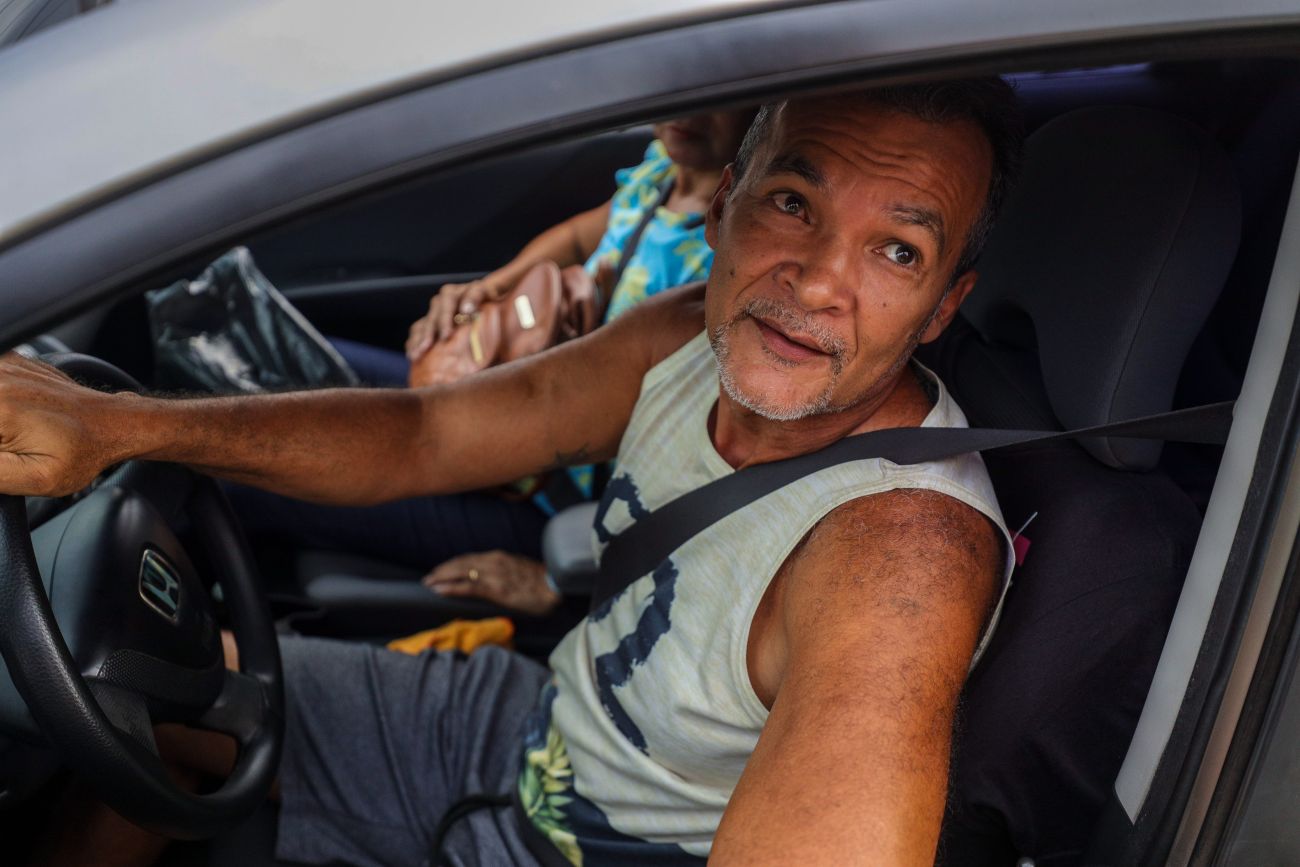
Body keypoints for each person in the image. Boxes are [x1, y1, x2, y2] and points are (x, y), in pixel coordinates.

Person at [1, 78, 1022, 865]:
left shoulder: (901, 561)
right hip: (523, 730)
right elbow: (429, 434)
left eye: (897, 251)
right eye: (794, 202)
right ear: (721, 208)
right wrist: (122, 426)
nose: (819, 281)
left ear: (943, 305)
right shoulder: (679, 338)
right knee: (140, 688)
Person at [228, 110, 755, 617]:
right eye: (684, 88)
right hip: (510, 407)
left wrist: (558, 580)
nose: (690, 113)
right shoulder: (662, 171)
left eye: (722, 96)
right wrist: (485, 291)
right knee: (268, 369)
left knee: (252, 474)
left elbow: (702, 473)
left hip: (551, 503)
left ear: (764, 111)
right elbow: (580, 237)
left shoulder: (732, 260)